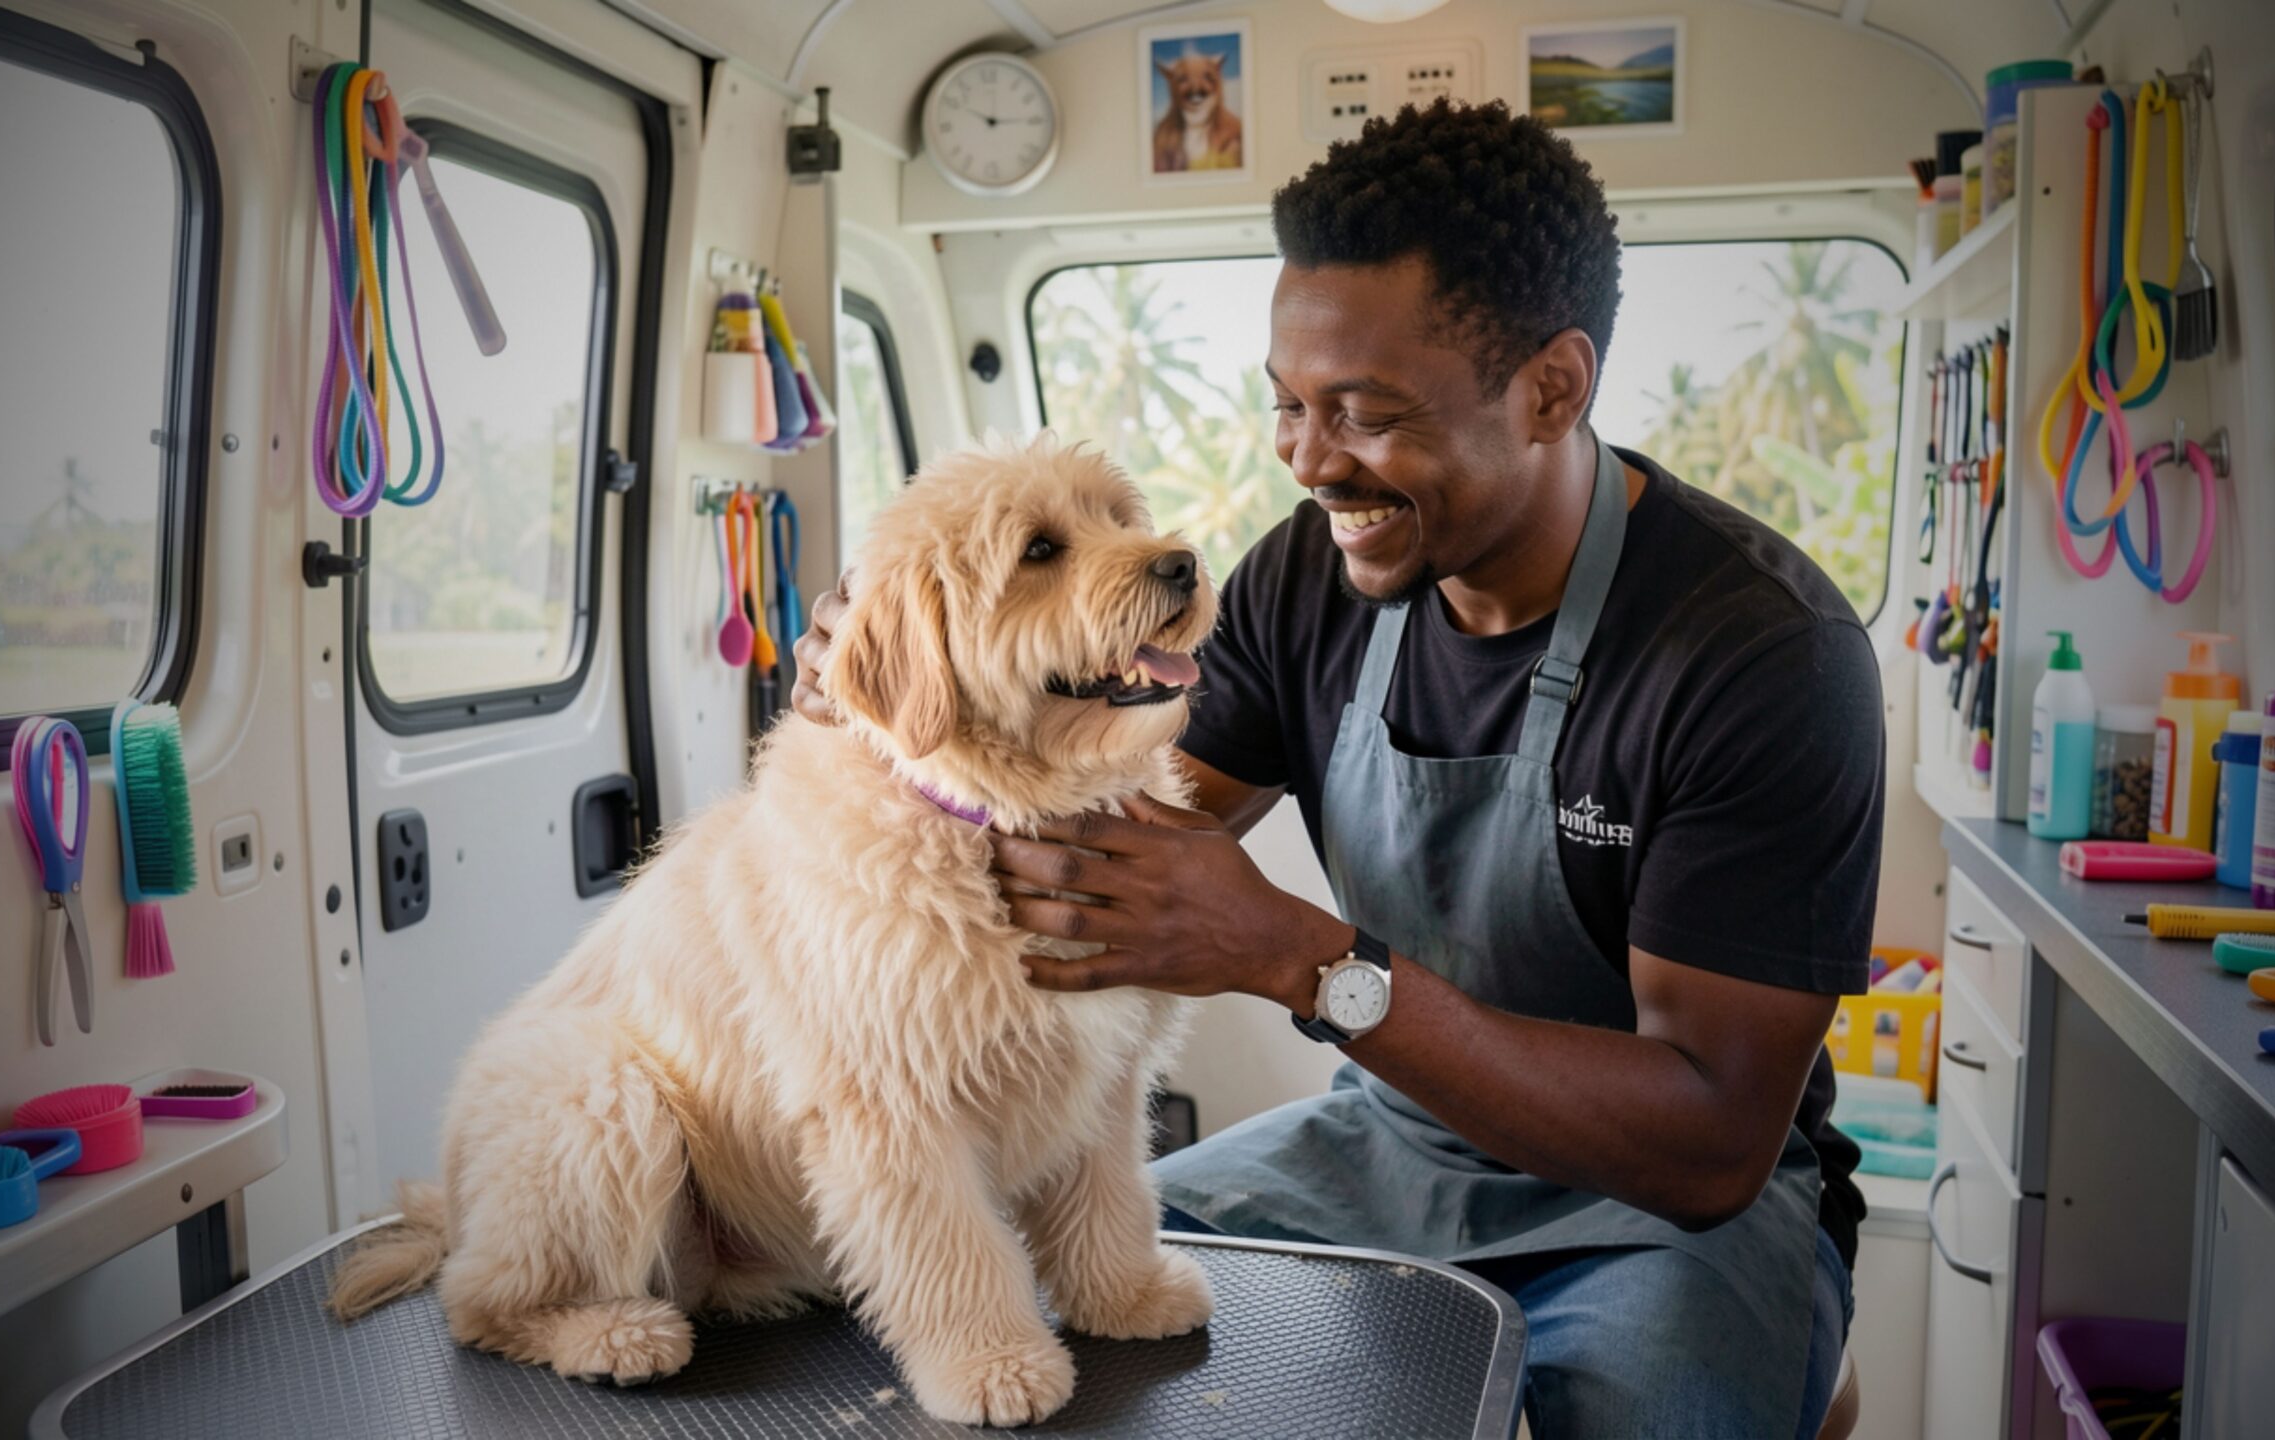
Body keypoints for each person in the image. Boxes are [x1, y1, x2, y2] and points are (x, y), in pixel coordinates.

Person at [794, 98, 1881, 1437]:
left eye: (1363, 415)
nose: (1309, 463)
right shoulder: (1311, 577)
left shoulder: (1762, 654)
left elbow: (1711, 1144)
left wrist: (1306, 961)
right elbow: (1112, 840)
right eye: (1288, 407)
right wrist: (912, 688)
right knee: (1021, 1298)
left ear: (1552, 387)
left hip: (1671, 1220)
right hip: (1385, 1147)